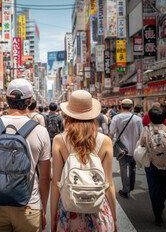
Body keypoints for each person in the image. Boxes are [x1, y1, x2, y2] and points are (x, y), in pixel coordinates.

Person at [0, 79, 51, 232]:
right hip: (29, 205)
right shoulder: (40, 131)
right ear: (30, 101)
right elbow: (45, 178)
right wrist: (43, 209)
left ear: (6, 100)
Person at [51, 90, 117, 232]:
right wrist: (115, 219)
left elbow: (56, 184)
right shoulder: (105, 141)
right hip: (98, 209)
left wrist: (53, 218)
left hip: (69, 210)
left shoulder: (59, 140)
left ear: (68, 115)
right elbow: (109, 184)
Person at [140, 107, 166, 226]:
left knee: (154, 189)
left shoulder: (146, 129)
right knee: (164, 188)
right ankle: (161, 205)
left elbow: (142, 143)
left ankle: (157, 214)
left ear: (150, 118)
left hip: (151, 164)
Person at [109, 99, 143, 198]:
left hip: (121, 149)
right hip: (134, 148)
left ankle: (125, 190)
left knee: (123, 168)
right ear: (131, 107)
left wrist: (108, 146)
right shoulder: (138, 119)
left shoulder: (116, 118)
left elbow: (111, 134)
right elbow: (141, 135)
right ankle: (131, 185)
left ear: (121, 107)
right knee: (132, 167)